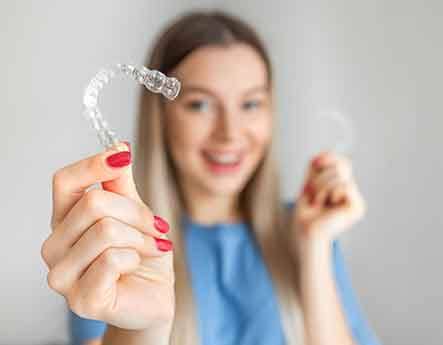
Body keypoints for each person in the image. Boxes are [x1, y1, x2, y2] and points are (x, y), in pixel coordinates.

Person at [41, 10, 381, 345]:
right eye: (200, 105)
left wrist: (314, 246)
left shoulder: (307, 234)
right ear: (160, 116)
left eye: (250, 104)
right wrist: (139, 330)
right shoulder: (120, 248)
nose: (230, 134)